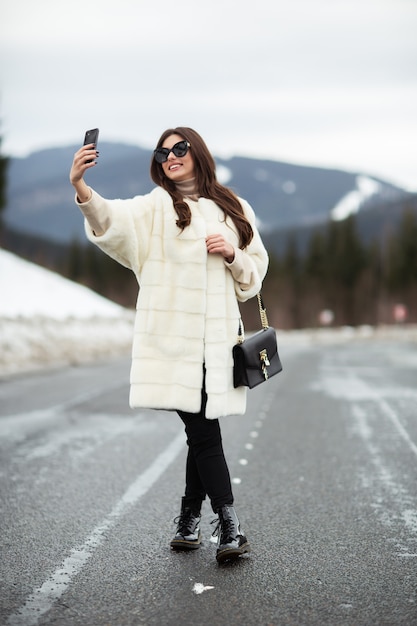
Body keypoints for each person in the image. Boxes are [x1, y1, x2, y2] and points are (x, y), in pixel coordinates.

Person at [69, 127, 269, 563]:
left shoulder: (234, 207)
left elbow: (255, 273)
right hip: (172, 344)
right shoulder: (156, 207)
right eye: (163, 152)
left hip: (216, 345)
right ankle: (230, 526)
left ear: (197, 153)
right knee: (203, 430)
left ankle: (187, 522)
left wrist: (233, 254)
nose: (171, 157)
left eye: (179, 149)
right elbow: (111, 221)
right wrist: (82, 187)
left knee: (200, 432)